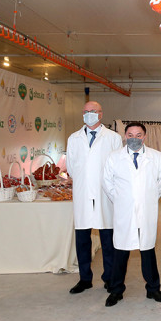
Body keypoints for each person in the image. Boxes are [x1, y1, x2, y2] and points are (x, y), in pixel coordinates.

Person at [102, 122, 161, 307]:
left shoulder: (156, 157)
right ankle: (116, 290)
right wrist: (122, 200)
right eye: (130, 135)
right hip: (124, 212)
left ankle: (153, 288)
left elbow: (160, 184)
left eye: (138, 135)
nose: (134, 138)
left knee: (147, 251)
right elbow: (107, 183)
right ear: (125, 136)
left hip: (146, 211)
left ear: (145, 137)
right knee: (121, 252)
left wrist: (145, 199)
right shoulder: (114, 157)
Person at [66, 101, 121, 295]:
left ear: (101, 114)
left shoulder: (113, 138)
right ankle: (85, 279)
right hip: (82, 194)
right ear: (82, 114)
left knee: (107, 240)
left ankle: (109, 278)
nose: (89, 114)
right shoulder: (74, 138)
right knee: (82, 240)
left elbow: (117, 166)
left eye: (93, 111)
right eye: (86, 111)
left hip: (104, 194)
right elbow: (71, 168)